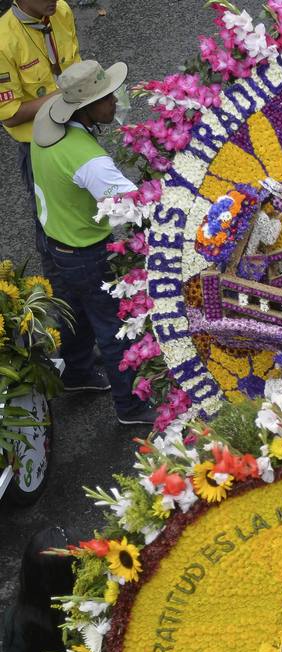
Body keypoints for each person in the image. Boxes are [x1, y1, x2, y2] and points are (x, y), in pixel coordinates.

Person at [31, 58, 155, 425]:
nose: (115, 102)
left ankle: (78, 373)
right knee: (113, 330)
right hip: (87, 253)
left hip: (56, 243)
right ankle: (130, 407)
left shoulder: (45, 136)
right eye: (107, 98)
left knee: (73, 316)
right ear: (85, 109)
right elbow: (133, 209)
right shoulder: (89, 160)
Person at [0, 1, 81, 272]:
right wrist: (64, 94)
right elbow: (10, 115)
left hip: (76, 127)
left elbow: (74, 64)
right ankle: (61, 292)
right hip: (38, 145)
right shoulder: (3, 40)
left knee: (87, 203)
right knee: (51, 222)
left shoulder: (61, 11)